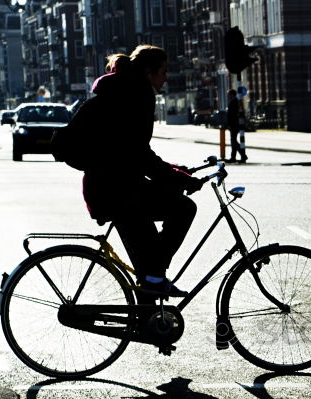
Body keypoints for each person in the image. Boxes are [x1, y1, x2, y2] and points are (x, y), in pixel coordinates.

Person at [80, 44, 202, 300]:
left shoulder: (124, 91)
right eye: (164, 71)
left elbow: (131, 151)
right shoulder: (137, 95)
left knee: (149, 268)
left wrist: (175, 171)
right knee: (183, 208)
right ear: (149, 72)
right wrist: (178, 178)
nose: (166, 77)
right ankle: (155, 278)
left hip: (112, 187)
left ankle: (151, 300)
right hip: (117, 192)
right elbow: (139, 154)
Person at [226, 89, 247, 163]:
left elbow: (233, 115)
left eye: (228, 94)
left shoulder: (235, 102)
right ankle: (233, 157)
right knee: (233, 141)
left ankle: (243, 155)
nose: (228, 96)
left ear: (232, 95)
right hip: (234, 124)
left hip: (234, 125)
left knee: (233, 141)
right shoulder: (234, 101)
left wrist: (230, 124)